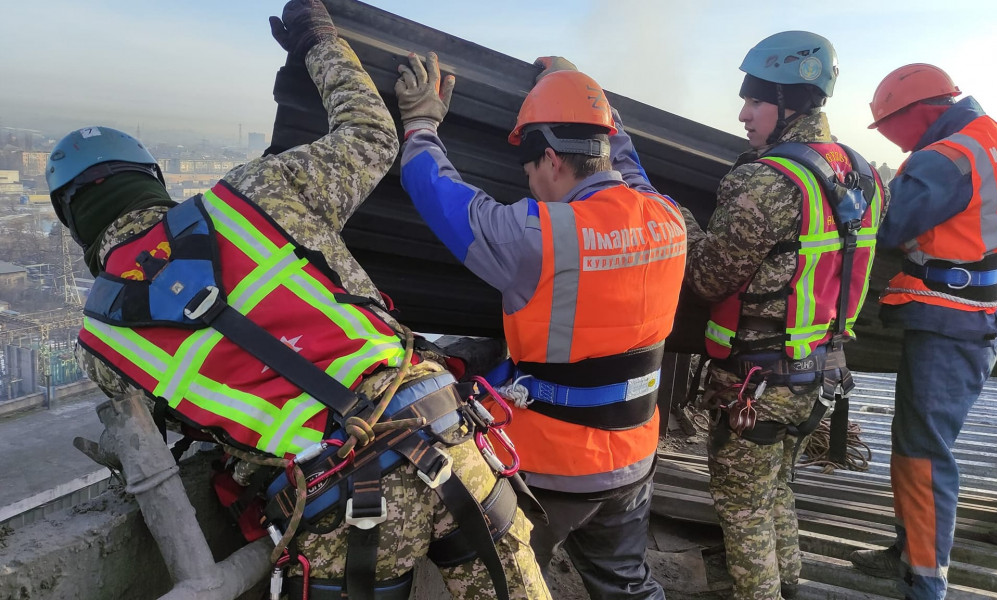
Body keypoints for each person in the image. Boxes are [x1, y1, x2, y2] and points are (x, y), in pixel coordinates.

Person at [44, 2, 550, 599]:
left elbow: (175, 428)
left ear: (73, 223)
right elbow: (368, 132)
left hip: (335, 508)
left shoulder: (101, 345)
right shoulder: (253, 194)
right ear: (151, 176)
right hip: (440, 437)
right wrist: (319, 40)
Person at [394, 51, 687, 599]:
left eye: (529, 171)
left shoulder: (537, 236)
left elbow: (438, 193)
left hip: (551, 469)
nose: (529, 185)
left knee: (510, 584)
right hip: (635, 456)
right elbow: (625, 159)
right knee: (625, 584)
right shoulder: (666, 215)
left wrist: (421, 123)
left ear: (550, 159)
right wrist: (572, 85)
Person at [678, 31, 887, 600]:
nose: (743, 113)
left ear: (789, 100)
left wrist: (680, 220)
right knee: (774, 491)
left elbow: (706, 279)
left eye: (754, 99)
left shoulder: (765, 180)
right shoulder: (863, 175)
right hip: (816, 372)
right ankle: (789, 584)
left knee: (742, 508)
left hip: (754, 382)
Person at [848, 63, 997, 600]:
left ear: (923, 113)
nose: (892, 139)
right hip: (977, 311)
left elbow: (886, 226)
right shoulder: (989, 138)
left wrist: (852, 193)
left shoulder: (945, 158)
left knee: (922, 450)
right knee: (923, 440)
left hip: (947, 318)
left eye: (891, 127)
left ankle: (925, 579)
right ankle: (911, 549)